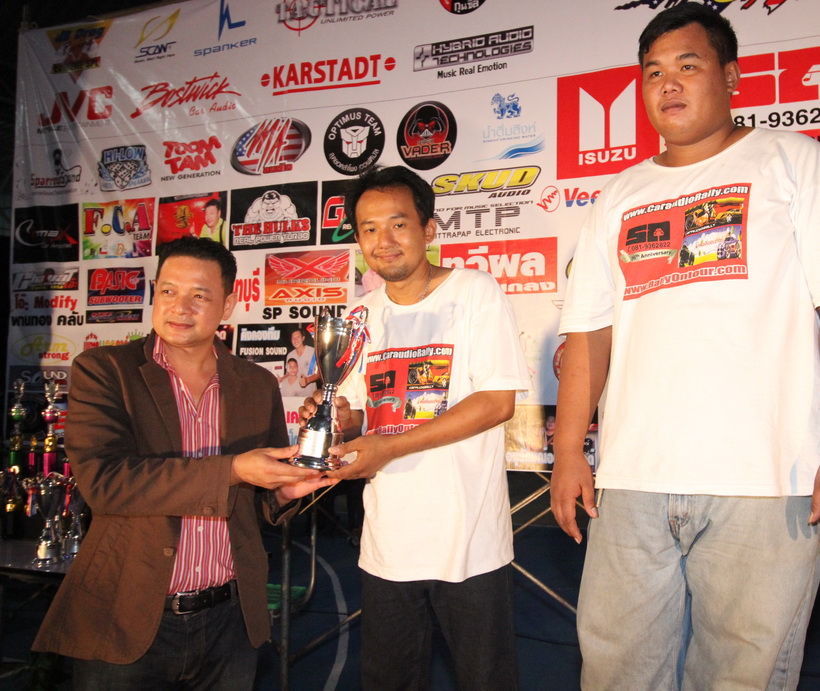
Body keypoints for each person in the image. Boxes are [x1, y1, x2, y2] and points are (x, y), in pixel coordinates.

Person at [549, 4, 820, 689]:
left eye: (687, 65)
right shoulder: (617, 196)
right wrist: (568, 452)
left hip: (767, 481)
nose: (667, 84)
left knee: (742, 676)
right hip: (631, 480)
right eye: (652, 72)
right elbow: (589, 334)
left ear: (730, 77)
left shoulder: (796, 163)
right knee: (613, 671)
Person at [33, 236, 332, 688]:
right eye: (169, 291)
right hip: (128, 618)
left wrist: (285, 492)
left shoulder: (256, 384)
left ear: (228, 305)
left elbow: (257, 503)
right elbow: (106, 483)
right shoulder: (105, 370)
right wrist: (233, 469)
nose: (180, 307)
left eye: (199, 295)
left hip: (231, 622)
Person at [300, 165, 530, 690]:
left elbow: (496, 403)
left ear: (428, 229)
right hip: (388, 543)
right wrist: (337, 418)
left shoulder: (474, 292)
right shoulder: (360, 316)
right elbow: (362, 414)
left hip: (469, 542)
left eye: (398, 224)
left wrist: (391, 446)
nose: (383, 240)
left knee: (487, 681)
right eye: (369, 228)